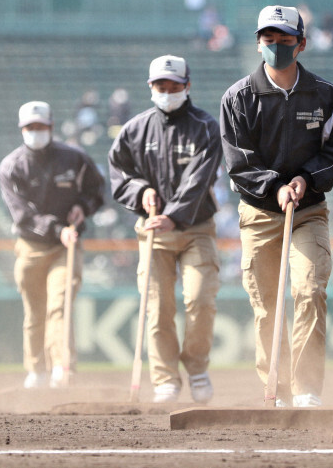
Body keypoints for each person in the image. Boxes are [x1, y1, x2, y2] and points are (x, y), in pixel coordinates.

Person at [219, 5, 333, 407]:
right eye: (269, 39)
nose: (276, 46)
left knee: (310, 291)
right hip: (260, 214)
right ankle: (273, 387)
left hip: (308, 211)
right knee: (266, 306)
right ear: (259, 43)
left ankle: (307, 389)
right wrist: (274, 186)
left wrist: (306, 179)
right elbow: (238, 161)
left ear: (302, 44)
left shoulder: (328, 96)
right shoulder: (238, 97)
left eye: (285, 39)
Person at [108, 55, 222, 403]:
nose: (168, 92)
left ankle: (197, 367)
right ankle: (165, 379)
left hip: (195, 227)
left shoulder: (206, 127)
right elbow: (119, 172)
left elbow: (200, 179)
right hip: (152, 232)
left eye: (175, 86)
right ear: (151, 87)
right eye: (161, 86)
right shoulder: (134, 129)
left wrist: (173, 214)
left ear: (188, 86)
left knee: (200, 300)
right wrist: (142, 192)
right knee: (156, 308)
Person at [0, 101, 105, 389]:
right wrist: (57, 229)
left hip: (65, 248)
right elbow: (22, 215)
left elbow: (97, 190)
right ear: (22, 129)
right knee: (35, 311)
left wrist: (83, 207)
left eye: (41, 127)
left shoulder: (75, 158)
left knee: (59, 305)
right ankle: (36, 369)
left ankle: (61, 367)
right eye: (30, 128)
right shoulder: (11, 167)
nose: (36, 132)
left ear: (51, 127)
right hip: (31, 246)